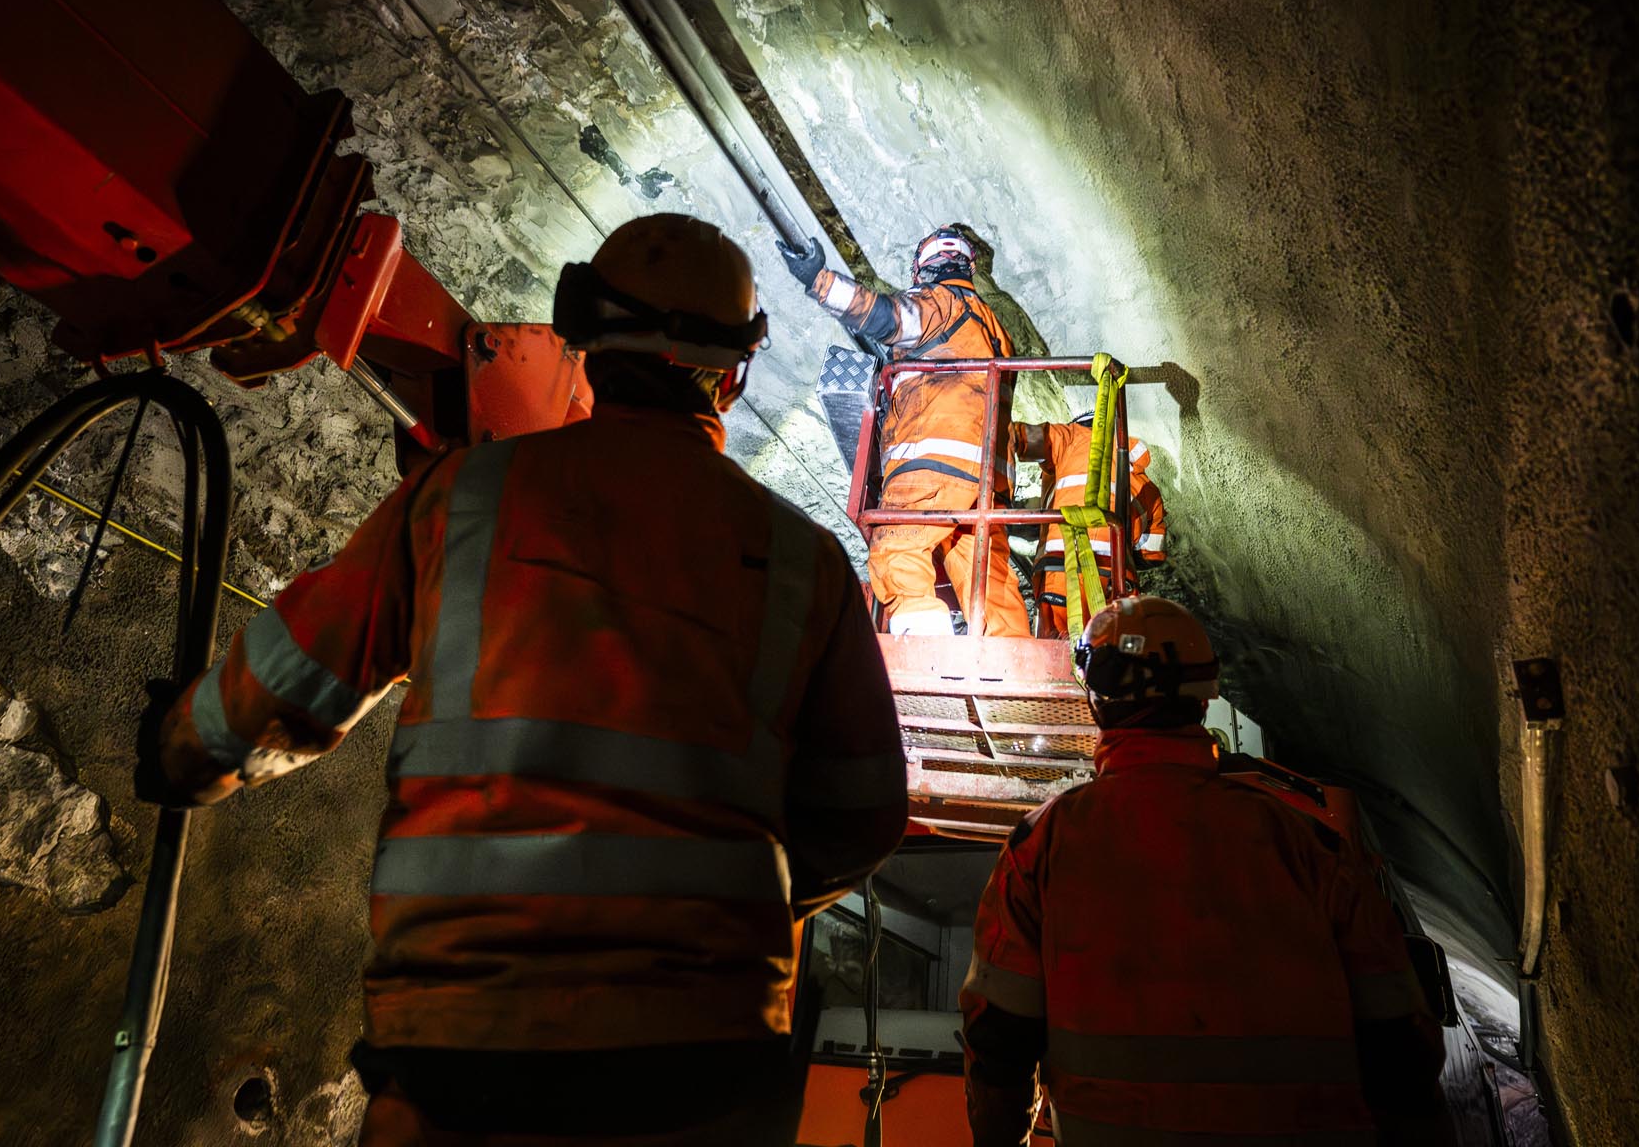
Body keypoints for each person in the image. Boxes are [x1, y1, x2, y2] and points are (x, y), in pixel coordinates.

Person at [138, 214, 909, 1146]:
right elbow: (863, 815)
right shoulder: (804, 563)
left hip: (463, 1050)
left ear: (584, 348)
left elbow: (289, 679)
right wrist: (729, 905)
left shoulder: (461, 497)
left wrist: (181, 751)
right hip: (698, 1068)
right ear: (735, 375)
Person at [960, 596, 1447, 1145]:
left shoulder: (1042, 845)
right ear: (1205, 696)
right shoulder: (1306, 842)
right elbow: (1399, 1038)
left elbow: (998, 1035)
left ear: (1097, 701)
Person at [778, 225, 1027, 637]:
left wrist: (820, 281)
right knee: (987, 584)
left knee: (897, 549)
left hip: (935, 463)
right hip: (988, 484)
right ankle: (1015, 662)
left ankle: (925, 655)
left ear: (921, 269)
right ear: (968, 266)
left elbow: (886, 317)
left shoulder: (940, 302)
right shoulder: (995, 330)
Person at [1015, 384, 1167, 637]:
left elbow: (1024, 439)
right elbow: (1153, 555)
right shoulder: (1146, 485)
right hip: (1117, 580)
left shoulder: (1069, 437)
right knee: (1111, 652)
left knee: (1055, 649)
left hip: (1062, 570)